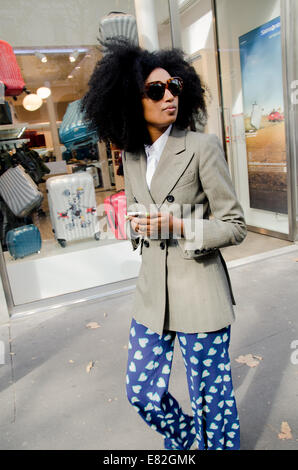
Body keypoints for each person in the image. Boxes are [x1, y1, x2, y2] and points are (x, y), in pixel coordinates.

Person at [82, 38, 247, 451]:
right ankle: (189, 439)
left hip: (199, 294)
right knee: (142, 391)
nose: (169, 95)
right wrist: (132, 223)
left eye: (173, 86)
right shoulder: (132, 157)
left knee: (212, 402)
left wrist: (178, 223)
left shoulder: (203, 148)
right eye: (156, 90)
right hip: (152, 296)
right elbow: (143, 220)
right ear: (131, 100)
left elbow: (235, 225)